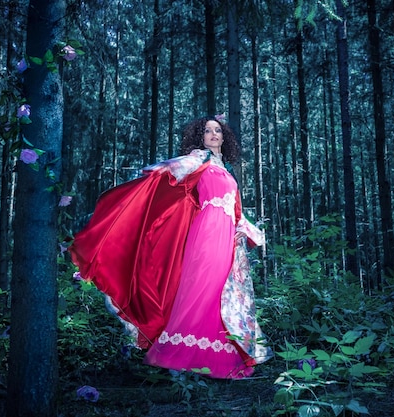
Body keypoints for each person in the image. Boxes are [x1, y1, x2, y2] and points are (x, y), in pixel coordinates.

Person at [69, 115, 272, 379]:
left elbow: (236, 211)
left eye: (217, 130)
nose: (213, 134)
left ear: (224, 137)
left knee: (221, 292)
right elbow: (178, 167)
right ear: (200, 137)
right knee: (202, 286)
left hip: (227, 237)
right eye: (207, 131)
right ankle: (182, 353)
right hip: (207, 232)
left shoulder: (227, 170)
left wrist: (250, 231)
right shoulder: (200, 159)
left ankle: (219, 354)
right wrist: (159, 169)